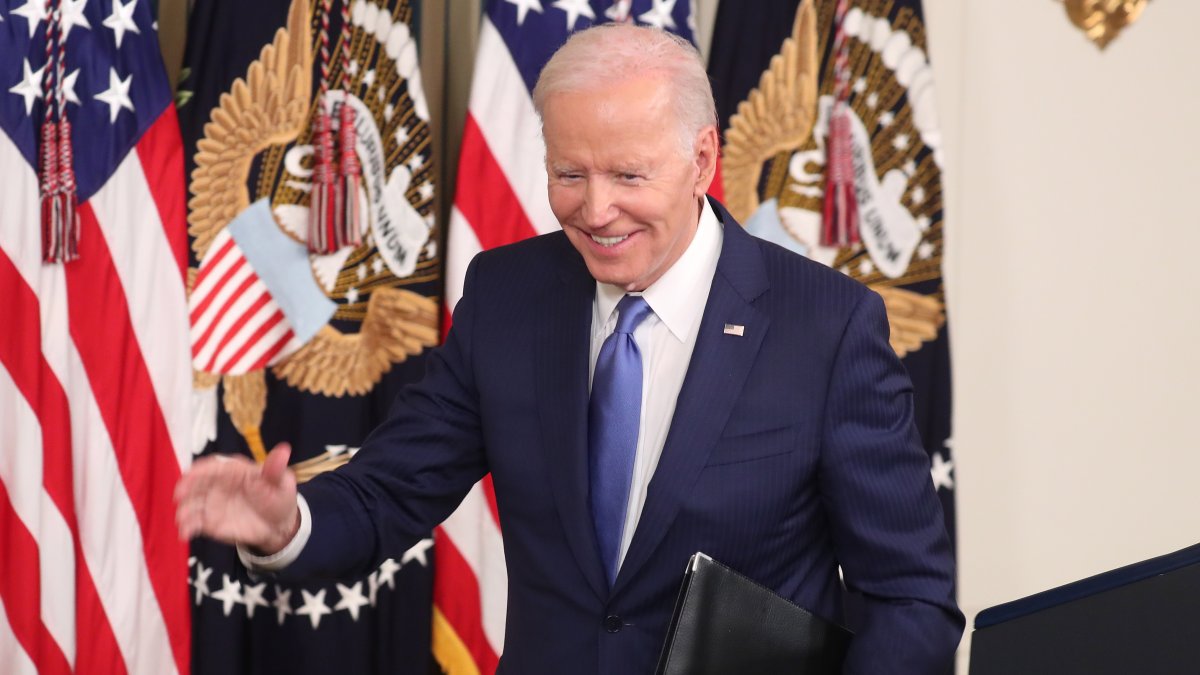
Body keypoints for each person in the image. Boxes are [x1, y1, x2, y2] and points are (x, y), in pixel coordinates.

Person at [176, 24, 964, 674]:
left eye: (628, 174)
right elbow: (391, 490)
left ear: (702, 159)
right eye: (568, 173)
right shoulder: (507, 298)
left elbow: (911, 598)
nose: (595, 209)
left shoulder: (826, 327)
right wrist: (287, 524)